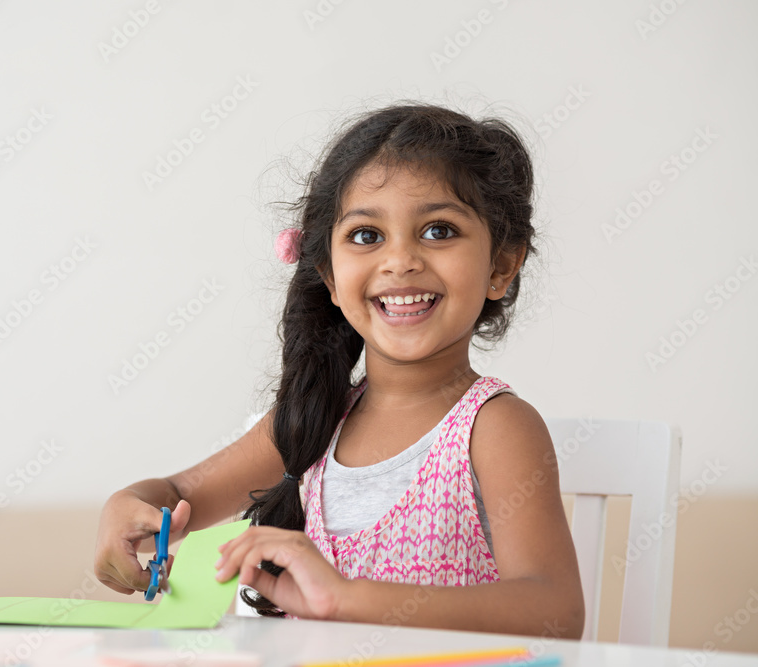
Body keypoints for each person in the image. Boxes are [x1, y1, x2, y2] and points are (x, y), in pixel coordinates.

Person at [93, 102, 584, 638]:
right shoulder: (312, 420)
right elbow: (175, 493)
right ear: (328, 273)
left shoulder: (495, 429)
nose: (400, 261)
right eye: (367, 236)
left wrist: (348, 599)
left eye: (439, 231)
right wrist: (129, 506)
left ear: (502, 266)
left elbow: (555, 613)